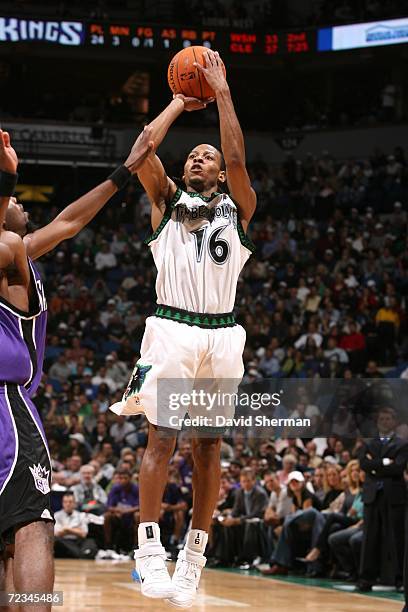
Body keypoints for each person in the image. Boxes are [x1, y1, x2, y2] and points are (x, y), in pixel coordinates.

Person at [109, 49, 256, 606]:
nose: (198, 158)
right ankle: (149, 550)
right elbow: (142, 151)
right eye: (193, 154)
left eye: (206, 156)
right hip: (172, 327)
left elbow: (239, 161)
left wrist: (220, 93)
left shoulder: (238, 207)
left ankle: (195, 552)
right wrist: (177, 100)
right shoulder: (165, 200)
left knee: (208, 446)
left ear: (219, 173)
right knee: (161, 438)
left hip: (222, 335)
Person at [0, 126, 153, 608]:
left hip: (10, 401)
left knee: (15, 533)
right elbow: (66, 223)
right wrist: (7, 173)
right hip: (7, 408)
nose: (22, 205)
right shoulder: (11, 251)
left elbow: (69, 222)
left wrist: (124, 171)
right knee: (32, 523)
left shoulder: (18, 257)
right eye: (16, 199)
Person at [357, 407, 408, 591]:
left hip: (394, 495)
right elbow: (363, 463)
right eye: (382, 419)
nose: (384, 422)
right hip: (372, 494)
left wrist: (375, 464)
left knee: (396, 539)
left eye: (388, 419)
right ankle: (366, 579)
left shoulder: (402, 444)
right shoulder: (369, 443)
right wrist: (386, 462)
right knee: (370, 538)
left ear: (394, 421)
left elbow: (398, 468)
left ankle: (401, 580)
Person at [54, 493, 97, 560]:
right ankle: (80, 554)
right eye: (65, 502)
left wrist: (67, 529)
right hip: (63, 542)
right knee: (56, 541)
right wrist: (76, 529)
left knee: (90, 541)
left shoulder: (80, 515)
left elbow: (83, 534)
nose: (68, 504)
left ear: (74, 503)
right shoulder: (57, 515)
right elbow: (57, 533)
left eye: (70, 502)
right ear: (62, 503)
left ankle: (77, 554)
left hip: (78, 541)